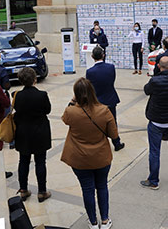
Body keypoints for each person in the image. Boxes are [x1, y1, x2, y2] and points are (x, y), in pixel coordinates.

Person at [61, 78, 118, 229]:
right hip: (101, 157)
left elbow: (64, 120)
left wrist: (72, 101)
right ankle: (105, 220)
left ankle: (93, 222)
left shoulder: (71, 111)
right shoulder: (104, 110)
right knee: (102, 187)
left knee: (87, 189)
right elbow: (113, 134)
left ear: (76, 95)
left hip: (80, 159)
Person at [141, 56, 168, 190]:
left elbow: (146, 90)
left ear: (159, 67)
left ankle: (154, 181)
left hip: (157, 122)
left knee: (154, 152)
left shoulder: (155, 81)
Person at [13, 67, 52, 203]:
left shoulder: (16, 95)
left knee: (23, 161)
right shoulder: (42, 95)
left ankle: (23, 189)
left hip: (23, 132)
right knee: (40, 162)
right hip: (39, 132)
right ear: (35, 79)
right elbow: (47, 110)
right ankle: (42, 191)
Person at [86, 46, 125, 151]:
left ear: (92, 57)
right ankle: (116, 143)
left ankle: (99, 144)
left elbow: (89, 87)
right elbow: (112, 80)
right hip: (110, 98)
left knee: (98, 123)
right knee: (112, 122)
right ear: (103, 55)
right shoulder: (111, 67)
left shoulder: (90, 71)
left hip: (98, 101)